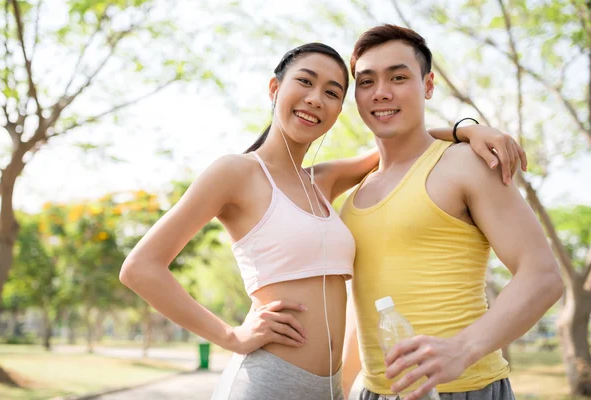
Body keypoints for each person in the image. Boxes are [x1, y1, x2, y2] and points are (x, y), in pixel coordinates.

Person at [119, 42, 526, 400]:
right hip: (270, 381)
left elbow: (406, 142)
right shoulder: (236, 173)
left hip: (331, 388)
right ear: (275, 88)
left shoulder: (323, 180)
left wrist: (465, 130)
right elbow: (140, 268)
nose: (316, 99)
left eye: (333, 92)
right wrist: (230, 336)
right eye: (306, 82)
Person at [340, 24, 563, 400]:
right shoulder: (353, 194)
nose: (381, 92)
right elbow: (358, 314)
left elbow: (542, 276)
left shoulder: (464, 164)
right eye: (366, 82)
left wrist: (463, 349)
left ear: (427, 86)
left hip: (463, 389)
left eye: (398, 77)